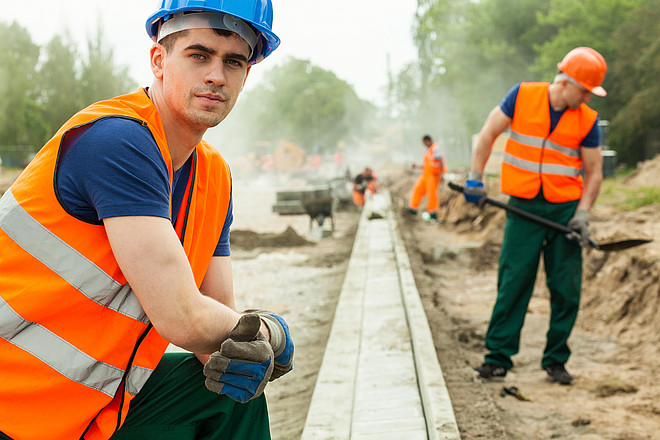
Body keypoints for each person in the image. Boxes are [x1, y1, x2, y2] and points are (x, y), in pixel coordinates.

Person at [0, 1, 294, 439]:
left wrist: (244, 352)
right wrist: (272, 333)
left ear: (245, 77)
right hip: (14, 402)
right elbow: (182, 318)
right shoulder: (118, 142)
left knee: (227, 397)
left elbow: (214, 331)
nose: (216, 75)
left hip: (94, 405)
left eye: (233, 61)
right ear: (159, 60)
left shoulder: (213, 176)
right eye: (199, 55)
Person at [463, 47, 607, 385]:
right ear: (567, 81)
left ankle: (556, 361)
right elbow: (487, 133)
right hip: (523, 206)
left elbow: (594, 171)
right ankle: (498, 358)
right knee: (513, 282)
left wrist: (583, 214)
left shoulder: (587, 119)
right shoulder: (522, 96)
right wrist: (475, 176)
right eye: (585, 89)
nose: (587, 97)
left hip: (564, 212)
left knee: (565, 288)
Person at [406, 134, 446, 222]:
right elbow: (427, 165)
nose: (423, 144)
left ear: (427, 140)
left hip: (433, 176)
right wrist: (417, 166)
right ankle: (413, 208)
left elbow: (440, 160)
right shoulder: (428, 151)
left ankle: (433, 213)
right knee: (418, 189)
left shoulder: (435, 148)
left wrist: (441, 174)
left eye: (424, 142)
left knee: (431, 194)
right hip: (425, 175)